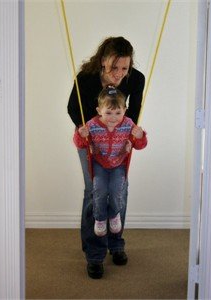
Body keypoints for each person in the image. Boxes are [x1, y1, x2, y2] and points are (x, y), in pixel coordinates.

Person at [67, 36, 145, 279]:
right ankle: (94, 253)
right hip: (90, 141)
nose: (119, 73)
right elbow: (72, 108)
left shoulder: (136, 79)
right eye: (114, 67)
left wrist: (129, 135)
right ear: (103, 61)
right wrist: (90, 133)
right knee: (95, 190)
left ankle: (116, 243)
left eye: (125, 67)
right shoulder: (86, 79)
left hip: (119, 142)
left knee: (120, 189)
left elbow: (135, 111)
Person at [73, 86, 147, 241]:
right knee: (99, 190)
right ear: (99, 110)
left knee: (116, 190)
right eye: (108, 112)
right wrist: (80, 135)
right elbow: (80, 144)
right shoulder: (92, 125)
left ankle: (114, 215)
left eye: (118, 113)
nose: (113, 117)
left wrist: (140, 136)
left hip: (119, 164)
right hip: (99, 163)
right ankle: (100, 218)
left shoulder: (128, 124)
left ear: (124, 110)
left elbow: (140, 145)